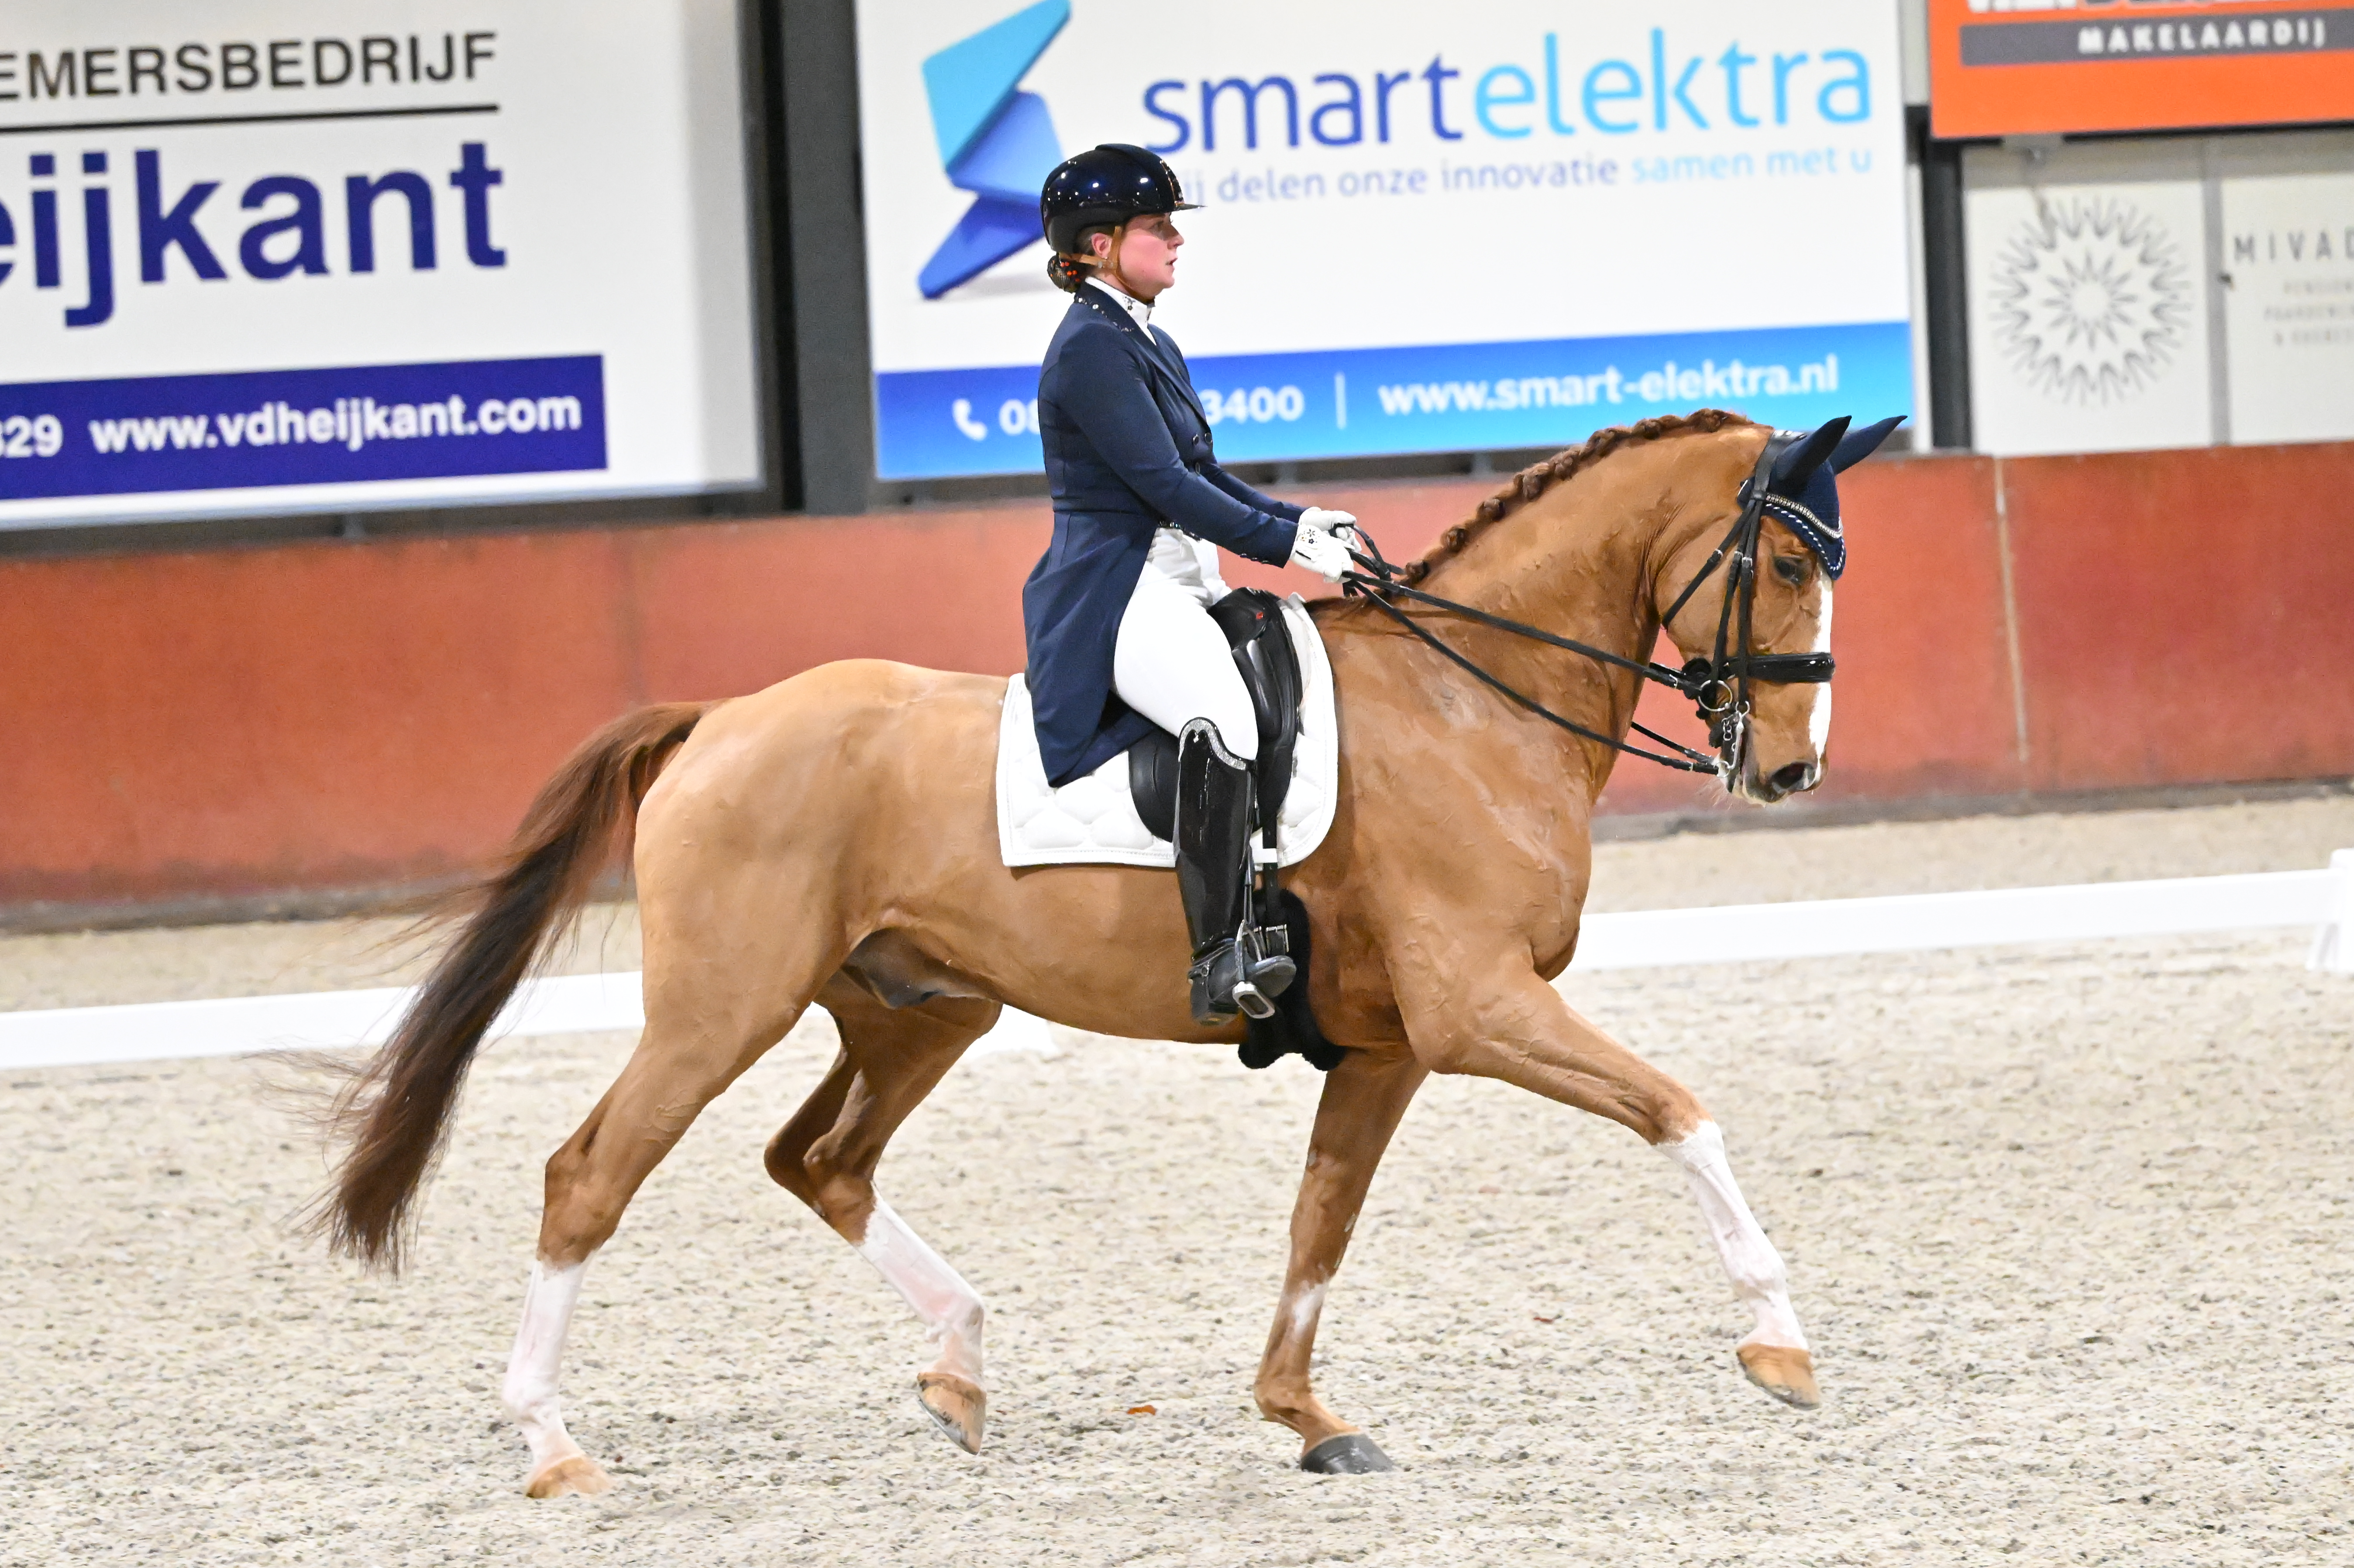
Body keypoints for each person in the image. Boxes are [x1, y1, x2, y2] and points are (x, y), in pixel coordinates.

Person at [1022, 143, 1358, 1026]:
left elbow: (1200, 469)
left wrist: (1299, 521)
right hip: (1115, 584)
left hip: (1180, 574)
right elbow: (1164, 489)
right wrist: (1283, 542)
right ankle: (1218, 951)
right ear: (1096, 246)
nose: (1175, 240)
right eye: (1155, 226)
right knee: (1227, 716)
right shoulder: (1090, 350)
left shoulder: (1145, 337)